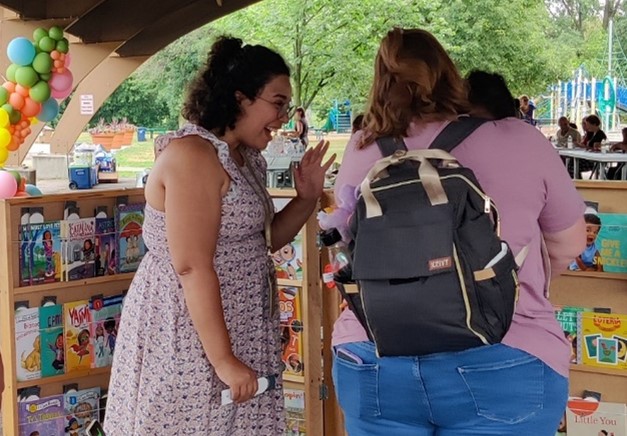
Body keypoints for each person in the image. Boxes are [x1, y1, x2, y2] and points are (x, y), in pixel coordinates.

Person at [329, 27, 586, 435]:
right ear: (451, 75)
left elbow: (346, 246)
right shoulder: (520, 139)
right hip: (506, 353)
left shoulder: (363, 147)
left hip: (373, 353)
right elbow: (570, 243)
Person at [104, 36, 334, 435]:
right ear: (241, 98)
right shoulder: (192, 156)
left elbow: (262, 242)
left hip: (238, 327)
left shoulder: (245, 159)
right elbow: (192, 266)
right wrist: (224, 360)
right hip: (190, 332)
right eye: (277, 103)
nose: (283, 117)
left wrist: (306, 198)